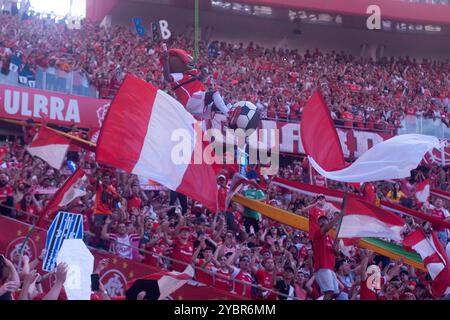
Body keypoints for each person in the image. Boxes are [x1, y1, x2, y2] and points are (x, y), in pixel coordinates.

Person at [161, 44, 241, 126]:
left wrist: (203, 74)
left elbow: (198, 80)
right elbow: (167, 77)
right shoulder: (180, 75)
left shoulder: (188, 75)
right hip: (190, 100)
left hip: (194, 102)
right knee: (214, 94)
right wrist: (166, 60)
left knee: (217, 107)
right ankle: (229, 114)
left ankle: (232, 113)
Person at [311, 210, 344, 300]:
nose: (322, 222)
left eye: (324, 220)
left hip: (330, 268)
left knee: (334, 293)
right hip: (322, 267)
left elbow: (336, 254)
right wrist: (340, 215)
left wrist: (335, 248)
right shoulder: (318, 233)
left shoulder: (330, 238)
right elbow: (326, 228)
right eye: (320, 221)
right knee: (329, 291)